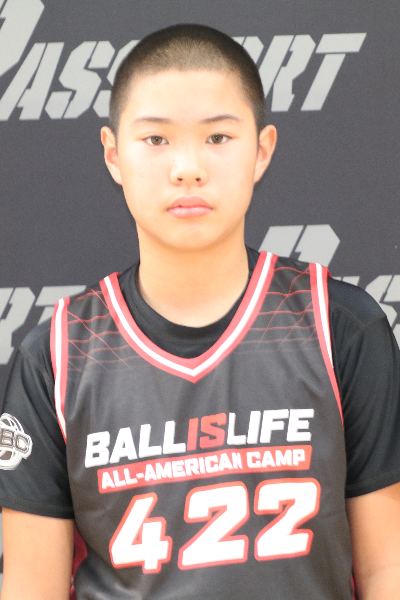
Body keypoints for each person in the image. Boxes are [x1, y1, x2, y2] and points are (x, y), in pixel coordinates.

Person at [0, 23, 400, 600]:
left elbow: (387, 568)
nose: (187, 167)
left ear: (261, 150)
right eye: (155, 139)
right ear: (113, 155)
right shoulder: (58, 356)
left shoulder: (341, 327)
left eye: (217, 137)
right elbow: (31, 587)